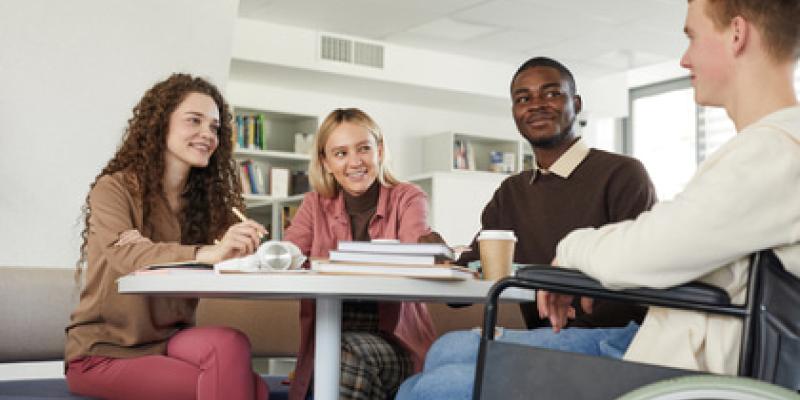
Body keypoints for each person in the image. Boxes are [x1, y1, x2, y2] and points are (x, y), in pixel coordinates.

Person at [397, 0, 800, 398]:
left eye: (692, 37)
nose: (684, 59)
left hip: (677, 366)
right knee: (441, 359)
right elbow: (669, 242)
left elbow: (652, 247)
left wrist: (570, 253)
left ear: (737, 34)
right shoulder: (762, 151)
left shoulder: (774, 153)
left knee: (431, 387)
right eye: (523, 98)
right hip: (671, 347)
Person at [65, 73, 269, 400]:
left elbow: (215, 260)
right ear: (161, 124)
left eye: (214, 127)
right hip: (105, 351)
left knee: (232, 343)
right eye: (194, 120)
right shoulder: (114, 189)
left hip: (169, 340)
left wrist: (240, 250)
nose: (207, 134)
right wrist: (203, 253)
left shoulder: (205, 205)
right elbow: (127, 256)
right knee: (250, 389)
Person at [457, 56, 656, 329]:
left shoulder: (622, 174)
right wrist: (436, 258)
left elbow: (638, 272)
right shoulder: (512, 191)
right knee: (450, 347)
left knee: (452, 349)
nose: (536, 105)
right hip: (544, 338)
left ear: (576, 104)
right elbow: (472, 273)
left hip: (611, 335)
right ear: (515, 113)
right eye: (523, 99)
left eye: (551, 94)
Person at [283, 108, 437, 400]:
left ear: (379, 150)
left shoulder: (408, 197)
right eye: (341, 154)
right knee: (341, 359)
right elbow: (290, 252)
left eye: (363, 149)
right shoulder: (314, 204)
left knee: (346, 356)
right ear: (326, 163)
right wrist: (272, 252)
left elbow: (415, 245)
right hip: (327, 347)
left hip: (395, 346)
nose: (355, 162)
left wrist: (427, 245)